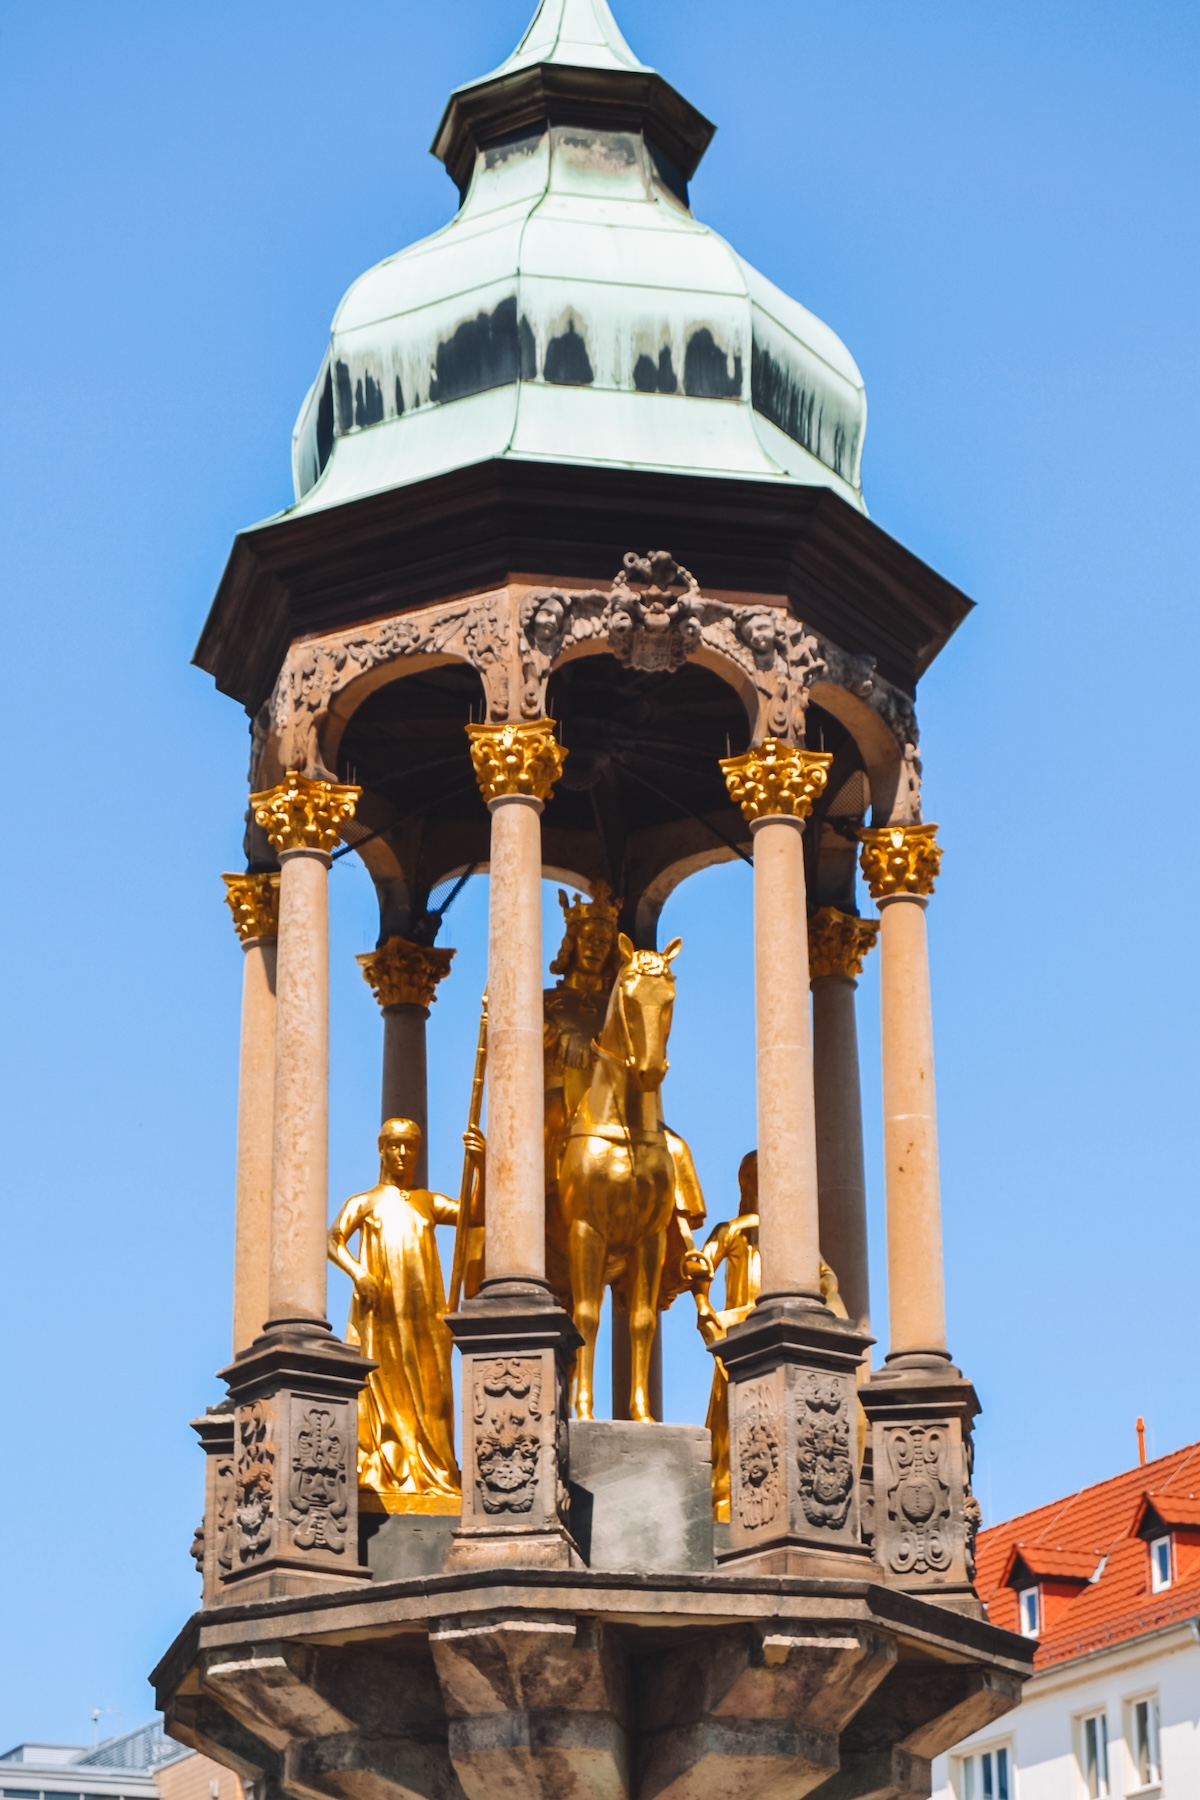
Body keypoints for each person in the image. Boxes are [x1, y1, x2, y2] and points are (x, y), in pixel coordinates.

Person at [684, 1151, 850, 1520]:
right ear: (749, 1185)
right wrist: (703, 1307)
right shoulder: (734, 1230)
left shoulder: (795, 1240)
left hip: (775, 1330)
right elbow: (702, 1265)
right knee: (727, 1412)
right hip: (739, 1334)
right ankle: (724, 1493)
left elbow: (826, 1275)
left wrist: (827, 1288)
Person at [327, 1117, 462, 1504]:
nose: (403, 1154)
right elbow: (333, 1239)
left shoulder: (426, 1201)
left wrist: (480, 1163)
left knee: (433, 1392)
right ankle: (388, 1462)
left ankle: (433, 1466)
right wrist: (359, 1274)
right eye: (394, 1146)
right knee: (384, 1386)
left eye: (410, 1147)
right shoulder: (365, 1202)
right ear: (381, 1149)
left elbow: (475, 1214)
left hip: (425, 1317)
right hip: (383, 1314)